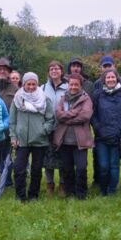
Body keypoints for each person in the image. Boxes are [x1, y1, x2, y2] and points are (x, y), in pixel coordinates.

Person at [9, 72, 55, 201]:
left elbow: (50, 119)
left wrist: (43, 130)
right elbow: (12, 121)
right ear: (23, 84)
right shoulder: (17, 99)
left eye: (33, 84)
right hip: (21, 141)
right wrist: (13, 136)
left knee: (36, 169)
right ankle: (20, 196)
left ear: (37, 84)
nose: (31, 87)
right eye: (28, 84)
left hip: (40, 141)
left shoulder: (45, 99)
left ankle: (33, 195)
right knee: (19, 169)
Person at [53, 74, 94, 199]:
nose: (73, 87)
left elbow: (85, 116)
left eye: (76, 84)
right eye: (71, 84)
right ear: (68, 85)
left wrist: (68, 118)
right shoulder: (63, 98)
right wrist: (75, 112)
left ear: (81, 85)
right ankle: (70, 192)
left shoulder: (86, 99)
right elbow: (58, 114)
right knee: (67, 169)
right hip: (64, 140)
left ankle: (81, 193)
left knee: (81, 168)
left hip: (80, 141)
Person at [91, 69, 121, 195]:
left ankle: (112, 190)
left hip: (117, 136)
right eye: (108, 77)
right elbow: (93, 114)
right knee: (103, 166)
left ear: (117, 78)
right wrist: (97, 128)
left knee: (114, 165)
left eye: (113, 77)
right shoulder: (97, 94)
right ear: (104, 80)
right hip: (101, 136)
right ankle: (103, 190)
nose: (111, 79)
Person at [42, 60, 69, 194]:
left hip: (63, 128)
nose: (54, 71)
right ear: (48, 72)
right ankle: (50, 184)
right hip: (47, 128)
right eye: (51, 69)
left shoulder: (68, 87)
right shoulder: (42, 88)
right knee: (48, 158)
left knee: (62, 158)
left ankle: (63, 184)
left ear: (61, 71)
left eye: (57, 68)